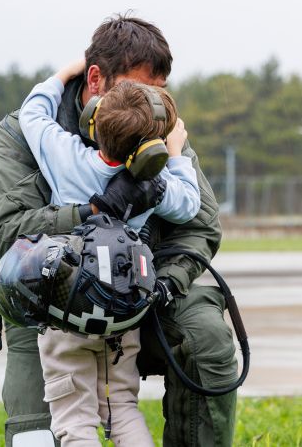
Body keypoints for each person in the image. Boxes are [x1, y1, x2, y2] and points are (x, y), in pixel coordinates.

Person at [0, 14, 236, 446]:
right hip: (50, 296)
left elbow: (200, 226)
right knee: (37, 438)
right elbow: (7, 235)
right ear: (96, 78)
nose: (151, 107)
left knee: (206, 341)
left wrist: (162, 287)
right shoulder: (24, 135)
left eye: (158, 95)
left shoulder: (159, 130)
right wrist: (94, 211)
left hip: (145, 291)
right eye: (138, 92)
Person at [18, 59, 200, 445]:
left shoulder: (65, 156)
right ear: (151, 149)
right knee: (122, 407)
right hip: (122, 312)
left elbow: (32, 112)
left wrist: (64, 74)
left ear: (92, 121)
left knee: (74, 415)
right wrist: (176, 154)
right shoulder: (157, 182)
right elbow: (189, 205)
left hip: (67, 308)